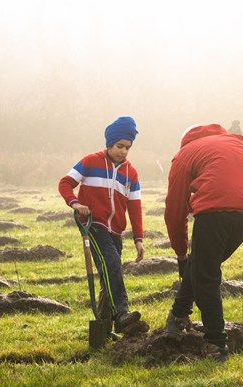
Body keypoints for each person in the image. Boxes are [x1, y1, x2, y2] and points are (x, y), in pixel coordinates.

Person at [164, 124, 243, 361]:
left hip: (212, 213)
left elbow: (174, 210)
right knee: (202, 267)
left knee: (205, 276)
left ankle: (216, 345)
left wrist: (180, 251)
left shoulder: (184, 155)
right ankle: (176, 319)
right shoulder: (240, 141)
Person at [58, 116, 147, 336]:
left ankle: (104, 330)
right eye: (120, 146)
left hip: (116, 230)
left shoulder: (131, 173)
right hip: (93, 225)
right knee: (112, 263)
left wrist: (138, 238)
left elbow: (135, 207)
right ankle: (122, 313)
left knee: (110, 271)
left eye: (128, 147)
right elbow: (65, 183)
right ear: (109, 144)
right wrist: (76, 203)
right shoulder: (90, 162)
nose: (124, 151)